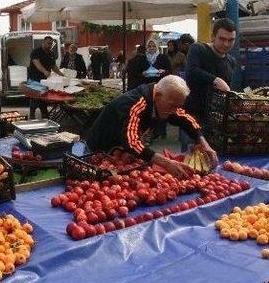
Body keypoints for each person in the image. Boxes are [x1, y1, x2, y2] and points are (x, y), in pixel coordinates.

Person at [85, 75, 218, 179]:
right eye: (172, 106)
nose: (175, 110)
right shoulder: (134, 103)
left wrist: (203, 142)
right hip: (99, 152)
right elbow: (131, 141)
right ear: (158, 95)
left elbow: (186, 119)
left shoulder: (166, 100)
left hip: (121, 155)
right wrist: (165, 162)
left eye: (178, 106)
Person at [182, 18, 237, 150]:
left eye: (231, 40)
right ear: (213, 37)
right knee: (191, 161)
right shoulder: (198, 49)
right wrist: (215, 80)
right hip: (192, 117)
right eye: (222, 39)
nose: (226, 44)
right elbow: (191, 72)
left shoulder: (231, 61)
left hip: (215, 122)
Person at [27, 35, 64, 119]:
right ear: (43, 42)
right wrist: (45, 71)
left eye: (51, 44)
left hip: (44, 80)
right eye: (48, 43)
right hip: (34, 79)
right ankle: (32, 116)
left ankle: (45, 115)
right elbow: (36, 62)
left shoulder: (51, 53)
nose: (50, 45)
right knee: (34, 99)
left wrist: (61, 74)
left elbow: (53, 66)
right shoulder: (36, 51)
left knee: (43, 98)